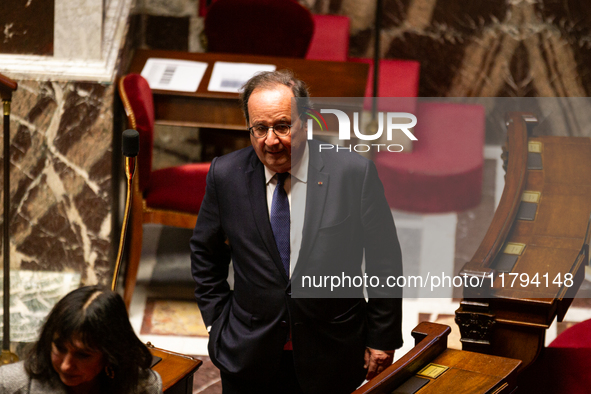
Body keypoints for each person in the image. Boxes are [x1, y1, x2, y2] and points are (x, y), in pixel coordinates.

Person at [190, 70, 403, 394]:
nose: (270, 140)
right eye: (260, 128)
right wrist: (216, 321)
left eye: (282, 126)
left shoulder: (352, 174)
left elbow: (383, 261)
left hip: (332, 352)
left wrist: (381, 338)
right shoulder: (226, 175)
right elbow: (205, 253)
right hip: (248, 354)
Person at [0, 285, 162, 394]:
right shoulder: (9, 385)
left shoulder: (144, 387)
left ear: (110, 354)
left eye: (83, 355)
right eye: (60, 348)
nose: (65, 366)